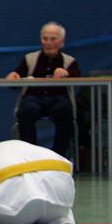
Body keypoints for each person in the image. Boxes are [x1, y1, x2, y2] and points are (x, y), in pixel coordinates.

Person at [6, 22, 80, 157]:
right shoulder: (29, 59)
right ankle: (32, 157)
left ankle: (58, 157)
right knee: (26, 110)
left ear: (61, 42)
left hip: (58, 99)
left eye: (53, 39)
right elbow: (15, 79)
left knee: (65, 110)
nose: (48, 43)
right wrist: (12, 76)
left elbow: (78, 77)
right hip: (34, 99)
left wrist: (67, 73)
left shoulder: (69, 61)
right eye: (45, 39)